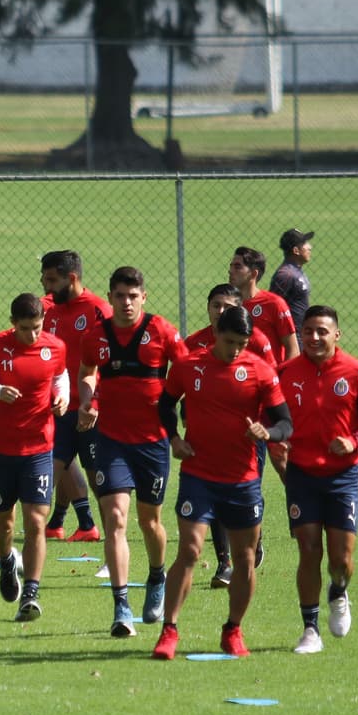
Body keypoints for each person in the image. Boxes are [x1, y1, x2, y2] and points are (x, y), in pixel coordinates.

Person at [151, 305, 291, 660]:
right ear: (216, 334)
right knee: (190, 550)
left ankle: (233, 630)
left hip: (242, 480)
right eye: (230, 342)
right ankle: (169, 630)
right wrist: (174, 439)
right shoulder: (188, 366)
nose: (235, 350)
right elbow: (165, 405)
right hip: (199, 475)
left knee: (244, 559)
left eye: (242, 343)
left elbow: (285, 422)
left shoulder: (261, 371)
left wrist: (268, 432)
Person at [77, 266, 187, 639]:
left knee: (149, 522)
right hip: (111, 440)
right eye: (120, 295)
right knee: (116, 519)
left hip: (153, 443)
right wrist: (88, 398)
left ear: (144, 297)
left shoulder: (162, 331)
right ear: (110, 297)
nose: (126, 302)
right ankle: (121, 605)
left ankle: (157, 576)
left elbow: (186, 374)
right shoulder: (97, 335)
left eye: (133, 296)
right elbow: (88, 369)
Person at [278, 306, 358, 655]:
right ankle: (310, 630)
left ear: (336, 334)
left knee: (341, 561)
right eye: (307, 331)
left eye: (321, 331)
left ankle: (339, 591)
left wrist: (354, 442)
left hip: (342, 477)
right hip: (301, 475)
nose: (313, 338)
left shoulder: (357, 372)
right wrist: (274, 440)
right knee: (308, 549)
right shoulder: (285, 373)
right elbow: (269, 416)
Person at [0, 293, 68, 622]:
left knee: (37, 522)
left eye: (37, 327)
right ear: (13, 323)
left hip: (39, 447)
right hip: (1, 448)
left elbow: (60, 376)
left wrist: (63, 397)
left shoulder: (54, 346)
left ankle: (31, 592)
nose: (32, 335)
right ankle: (8, 560)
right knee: (3, 524)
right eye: (25, 329)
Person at [183, 283, 276, 587]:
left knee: (244, 492)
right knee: (214, 495)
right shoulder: (193, 343)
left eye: (228, 306)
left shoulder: (257, 342)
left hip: (249, 435)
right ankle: (224, 563)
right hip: (206, 437)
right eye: (216, 305)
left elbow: (271, 385)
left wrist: (264, 428)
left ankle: (253, 539)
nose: (221, 312)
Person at [38, 250, 106, 545]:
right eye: (44, 279)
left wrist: (95, 405)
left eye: (52, 280)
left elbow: (109, 364)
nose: (46, 286)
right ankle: (42, 537)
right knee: (46, 474)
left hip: (90, 412)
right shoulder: (48, 310)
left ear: (72, 278)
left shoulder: (98, 310)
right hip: (57, 409)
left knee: (99, 481)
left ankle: (109, 546)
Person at [229, 246, 300, 366]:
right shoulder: (228, 304)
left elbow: (293, 349)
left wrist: (280, 379)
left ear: (253, 274)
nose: (230, 271)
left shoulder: (274, 303)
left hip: (268, 380)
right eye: (231, 266)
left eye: (237, 266)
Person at [270, 229, 314, 338]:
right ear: (296, 250)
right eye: (305, 244)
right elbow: (272, 308)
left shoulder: (295, 270)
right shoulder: (285, 275)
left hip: (300, 334)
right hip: (292, 336)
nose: (310, 247)